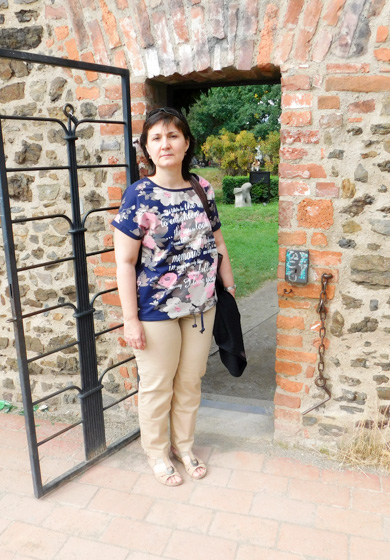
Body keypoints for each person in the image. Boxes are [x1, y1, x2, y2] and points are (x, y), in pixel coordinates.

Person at [112, 107, 236, 486]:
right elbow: (125, 262)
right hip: (155, 309)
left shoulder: (202, 187)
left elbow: (217, 242)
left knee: (190, 382)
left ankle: (184, 446)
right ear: (147, 148)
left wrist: (228, 288)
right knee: (157, 385)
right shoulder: (139, 195)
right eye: (156, 138)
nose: (165, 144)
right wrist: (130, 320)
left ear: (186, 143)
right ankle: (157, 452)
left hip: (202, 306)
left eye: (172, 136)